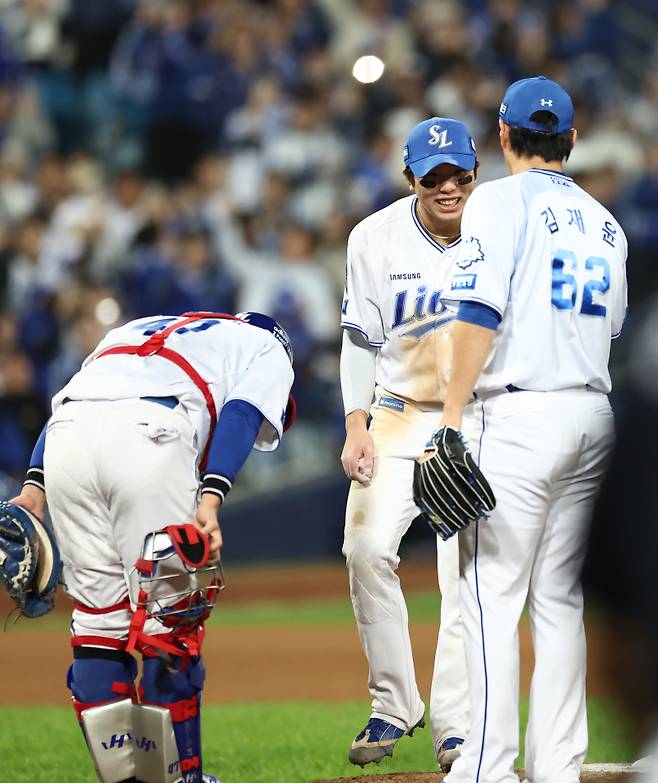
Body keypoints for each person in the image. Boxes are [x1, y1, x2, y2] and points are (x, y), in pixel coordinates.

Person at [432, 76, 627, 783]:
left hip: (515, 416)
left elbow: (478, 313)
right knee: (561, 601)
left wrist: (450, 416)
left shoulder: (497, 200)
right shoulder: (609, 224)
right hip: (591, 414)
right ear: (571, 141)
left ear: (504, 135)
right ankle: (557, 766)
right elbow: (613, 329)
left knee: (491, 595)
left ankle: (484, 768)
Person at [9, 310, 295, 783]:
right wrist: (212, 495)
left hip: (65, 443)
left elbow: (72, 403)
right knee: (171, 625)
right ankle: (184, 777)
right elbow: (243, 414)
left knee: (98, 628)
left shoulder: (138, 328)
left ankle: (126, 779)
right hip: (151, 436)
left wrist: (35, 486)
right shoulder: (269, 345)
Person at [339, 116, 478, 771]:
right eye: (434, 175)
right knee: (365, 547)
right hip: (395, 416)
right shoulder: (374, 236)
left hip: (474, 421)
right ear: (410, 176)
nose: (447, 186)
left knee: (464, 575)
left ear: (476, 171)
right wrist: (354, 420)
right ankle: (394, 705)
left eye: (459, 174)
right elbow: (358, 340)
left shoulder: (503, 231)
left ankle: (456, 723)